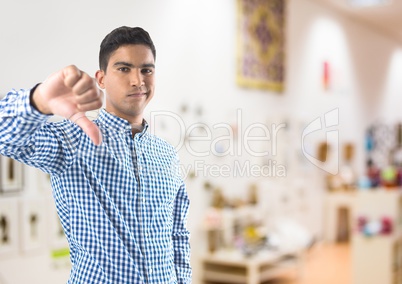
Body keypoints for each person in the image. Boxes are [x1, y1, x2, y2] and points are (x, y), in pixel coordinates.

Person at [0, 26, 192, 283]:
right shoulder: (73, 141)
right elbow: (7, 137)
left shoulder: (166, 153)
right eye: (124, 69)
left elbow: (177, 234)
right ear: (101, 79)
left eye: (146, 69)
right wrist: (40, 101)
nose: (138, 80)